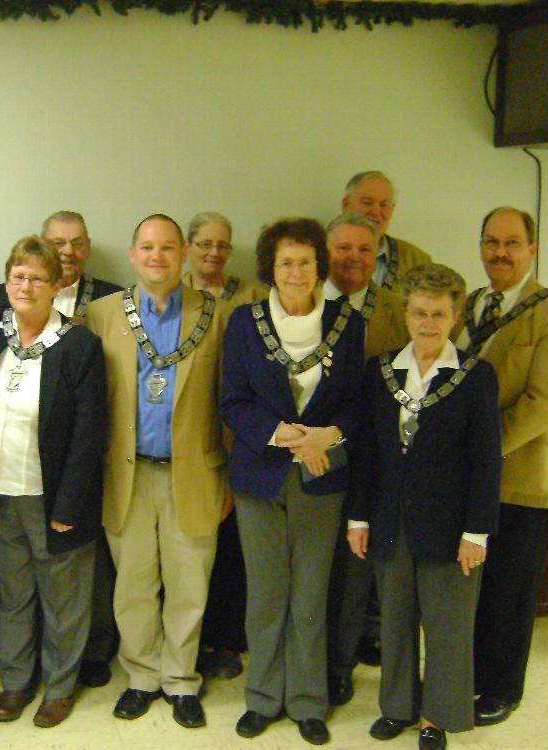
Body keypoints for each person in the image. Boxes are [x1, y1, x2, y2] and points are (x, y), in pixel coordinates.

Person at [220, 218, 364, 746]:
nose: (296, 271)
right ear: (270, 269)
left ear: (319, 266)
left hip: (324, 477)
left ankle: (307, 701)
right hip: (260, 477)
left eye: (305, 261)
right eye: (286, 262)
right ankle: (262, 697)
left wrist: (326, 436)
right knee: (266, 594)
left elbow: (355, 403)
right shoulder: (245, 322)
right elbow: (232, 401)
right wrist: (284, 436)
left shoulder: (347, 323)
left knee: (310, 594)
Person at [347, 263, 501, 750]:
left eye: (438, 314)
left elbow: (485, 460)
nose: (428, 322)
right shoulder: (382, 371)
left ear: (455, 316)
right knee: (393, 620)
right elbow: (368, 451)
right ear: (406, 313)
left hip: (452, 527)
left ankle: (437, 715)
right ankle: (397, 707)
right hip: (391, 519)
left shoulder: (475, 376)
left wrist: (477, 532)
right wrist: (359, 515)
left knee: (447, 627)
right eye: (419, 313)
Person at [86, 214, 230, 730]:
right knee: (134, 585)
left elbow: (227, 401)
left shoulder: (217, 315)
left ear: (184, 254)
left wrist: (230, 478)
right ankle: (142, 676)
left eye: (168, 248)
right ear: (131, 254)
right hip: (125, 474)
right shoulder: (102, 314)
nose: (157, 257)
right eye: (147, 247)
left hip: (194, 473)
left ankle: (180, 679)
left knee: (190, 583)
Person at [0, 236, 107, 728]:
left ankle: (60, 686)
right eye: (17, 275)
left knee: (63, 599)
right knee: (12, 595)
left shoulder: (79, 346)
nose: (25, 285)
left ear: (58, 285)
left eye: (37, 278)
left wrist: (68, 505)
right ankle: (15, 681)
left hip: (53, 497)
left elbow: (89, 434)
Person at [457, 207, 548, 727]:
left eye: (512, 243)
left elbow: (545, 403)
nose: (500, 253)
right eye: (491, 242)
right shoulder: (466, 306)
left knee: (509, 590)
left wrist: (482, 453)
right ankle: (463, 676)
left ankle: (501, 688)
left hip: (521, 479)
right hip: (464, 479)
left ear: (532, 249)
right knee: (470, 587)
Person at [322, 211, 411, 706]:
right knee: (314, 571)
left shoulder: (396, 309)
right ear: (326, 251)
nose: (353, 258)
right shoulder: (304, 302)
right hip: (311, 457)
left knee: (355, 573)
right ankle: (308, 659)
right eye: (343, 248)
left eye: (363, 250)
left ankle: (341, 665)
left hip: (372, 461)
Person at [182, 211, 265, 682]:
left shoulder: (252, 297)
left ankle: (228, 640)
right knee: (191, 548)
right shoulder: (172, 297)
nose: (213, 253)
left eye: (222, 245)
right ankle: (192, 641)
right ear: (190, 246)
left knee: (233, 547)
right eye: (205, 244)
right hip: (189, 438)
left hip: (240, 437)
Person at [0, 210, 122, 322]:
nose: (69, 251)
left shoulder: (113, 298)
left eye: (77, 243)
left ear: (88, 247)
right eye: (58, 243)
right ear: (42, 247)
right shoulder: (3, 296)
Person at [341, 171, 432, 290]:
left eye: (384, 205)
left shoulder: (417, 262)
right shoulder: (319, 252)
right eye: (367, 203)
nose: (376, 212)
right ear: (345, 205)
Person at [183, 211, 268, 304]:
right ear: (187, 248)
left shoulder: (254, 296)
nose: (215, 253)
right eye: (206, 244)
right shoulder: (171, 292)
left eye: (222, 246)